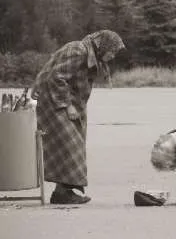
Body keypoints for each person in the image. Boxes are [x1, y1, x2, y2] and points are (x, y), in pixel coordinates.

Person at [31, 30, 125, 204]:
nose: (112, 56)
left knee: (70, 147)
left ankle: (62, 192)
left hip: (68, 104)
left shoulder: (90, 53)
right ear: (102, 46)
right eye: (111, 51)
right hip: (55, 102)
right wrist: (68, 105)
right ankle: (63, 193)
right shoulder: (78, 51)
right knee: (70, 145)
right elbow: (56, 77)